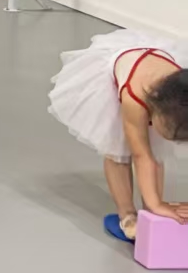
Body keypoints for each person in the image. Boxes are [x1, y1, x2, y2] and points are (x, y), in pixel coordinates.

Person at [48, 30, 188, 242]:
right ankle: (127, 214)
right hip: (119, 75)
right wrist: (158, 204)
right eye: (169, 133)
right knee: (119, 151)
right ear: (155, 110)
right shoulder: (134, 99)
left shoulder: (180, 101)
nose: (171, 141)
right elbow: (141, 155)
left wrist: (154, 205)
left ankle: (150, 209)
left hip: (155, 73)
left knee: (157, 152)